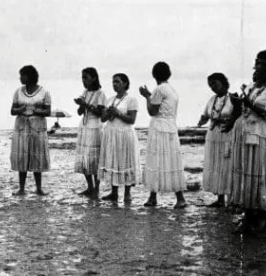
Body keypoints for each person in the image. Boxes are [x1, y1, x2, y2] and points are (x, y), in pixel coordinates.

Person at [228, 50, 266, 234]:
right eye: (256, 63)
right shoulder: (253, 85)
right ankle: (250, 215)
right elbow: (247, 106)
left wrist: (248, 103)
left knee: (261, 175)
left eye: (263, 64)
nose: (257, 67)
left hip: (262, 137)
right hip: (247, 135)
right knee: (248, 175)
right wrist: (238, 103)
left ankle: (264, 216)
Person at [138, 62, 186, 209]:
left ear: (154, 75)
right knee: (171, 161)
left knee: (156, 160)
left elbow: (152, 111)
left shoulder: (159, 89)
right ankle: (176, 197)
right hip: (171, 127)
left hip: (159, 128)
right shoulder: (171, 89)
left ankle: (155, 197)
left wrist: (146, 96)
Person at [10, 64, 51, 195]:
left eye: (23, 75)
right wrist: (20, 110)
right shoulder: (18, 91)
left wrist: (37, 111)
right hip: (22, 125)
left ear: (30, 76)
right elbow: (12, 110)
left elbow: (48, 111)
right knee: (22, 156)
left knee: (36, 156)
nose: (20, 78)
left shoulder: (44, 92)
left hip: (37, 126)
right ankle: (21, 188)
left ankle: (39, 188)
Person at [98, 73, 139, 202]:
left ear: (125, 84)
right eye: (113, 82)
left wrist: (118, 113)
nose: (114, 84)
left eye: (117, 82)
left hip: (125, 134)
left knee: (125, 161)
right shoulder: (109, 100)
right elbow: (103, 119)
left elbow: (132, 120)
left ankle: (127, 193)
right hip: (111, 133)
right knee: (113, 160)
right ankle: (114, 192)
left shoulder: (131, 100)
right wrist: (109, 112)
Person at [197, 72, 235, 207]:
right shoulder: (212, 99)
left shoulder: (233, 98)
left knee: (227, 166)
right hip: (213, 136)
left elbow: (236, 117)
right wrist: (202, 120)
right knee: (216, 165)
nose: (213, 87)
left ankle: (231, 200)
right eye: (210, 85)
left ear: (223, 82)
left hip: (227, 135)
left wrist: (223, 119)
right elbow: (206, 114)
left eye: (215, 83)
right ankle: (219, 199)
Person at [73, 67, 107, 196]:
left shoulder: (100, 94)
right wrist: (81, 105)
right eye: (82, 78)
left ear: (93, 78)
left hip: (95, 127)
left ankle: (96, 188)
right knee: (84, 157)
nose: (83, 81)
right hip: (85, 125)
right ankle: (90, 187)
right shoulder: (85, 92)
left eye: (86, 78)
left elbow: (99, 112)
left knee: (95, 158)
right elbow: (79, 112)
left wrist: (86, 104)